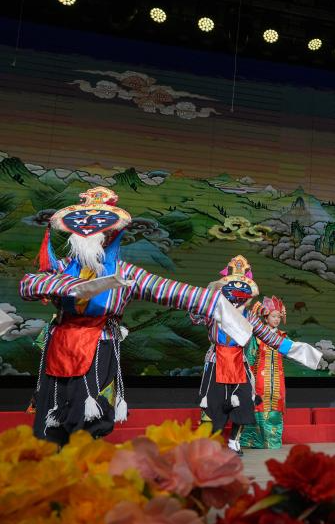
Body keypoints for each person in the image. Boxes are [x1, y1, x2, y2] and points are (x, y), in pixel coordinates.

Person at [20, 187, 254, 445]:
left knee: (86, 417)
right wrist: (68, 286)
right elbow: (28, 285)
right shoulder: (64, 268)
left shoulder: (125, 273)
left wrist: (215, 302)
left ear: (111, 236)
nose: (95, 235)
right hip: (60, 344)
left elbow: (172, 291)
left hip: (99, 345)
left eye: (102, 231)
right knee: (51, 416)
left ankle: (82, 458)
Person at [194, 256, 322, 455]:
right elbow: (195, 316)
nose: (238, 298)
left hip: (239, 362)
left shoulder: (249, 316)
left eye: (242, 294)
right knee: (212, 405)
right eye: (234, 293)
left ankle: (234, 441)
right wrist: (209, 294)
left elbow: (271, 338)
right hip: (217, 361)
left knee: (244, 402)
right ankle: (208, 444)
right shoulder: (214, 310)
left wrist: (303, 352)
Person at [239, 295, 289, 449]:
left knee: (275, 407)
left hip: (278, 379)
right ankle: (256, 440)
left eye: (278, 317)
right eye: (273, 316)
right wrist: (249, 378)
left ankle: (272, 441)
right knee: (259, 406)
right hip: (260, 377)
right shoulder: (258, 336)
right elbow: (250, 357)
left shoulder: (283, 336)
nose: (276, 319)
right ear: (266, 317)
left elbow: (290, 354)